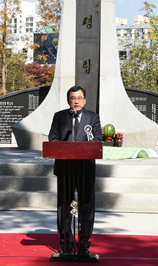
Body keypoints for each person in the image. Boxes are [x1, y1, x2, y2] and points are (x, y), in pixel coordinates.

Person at [48, 85, 103, 255]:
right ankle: (66, 242)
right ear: (68, 100)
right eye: (73, 98)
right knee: (68, 207)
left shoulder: (93, 117)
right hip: (66, 170)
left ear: (85, 100)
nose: (76, 101)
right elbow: (53, 139)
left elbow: (98, 139)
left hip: (85, 169)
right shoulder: (59, 117)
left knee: (85, 206)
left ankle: (84, 243)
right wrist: (65, 147)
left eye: (79, 98)